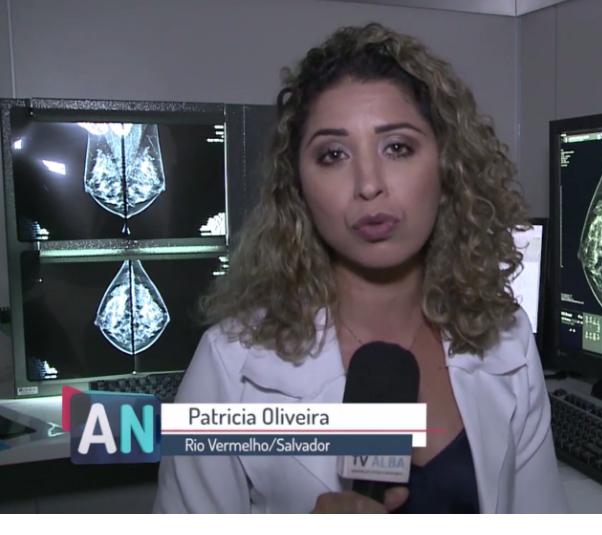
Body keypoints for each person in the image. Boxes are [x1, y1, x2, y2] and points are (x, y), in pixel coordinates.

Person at [153, 22, 568, 514]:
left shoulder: (508, 339)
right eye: (333, 155)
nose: (368, 184)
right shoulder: (229, 367)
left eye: (397, 148)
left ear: (447, 166)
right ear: (297, 186)